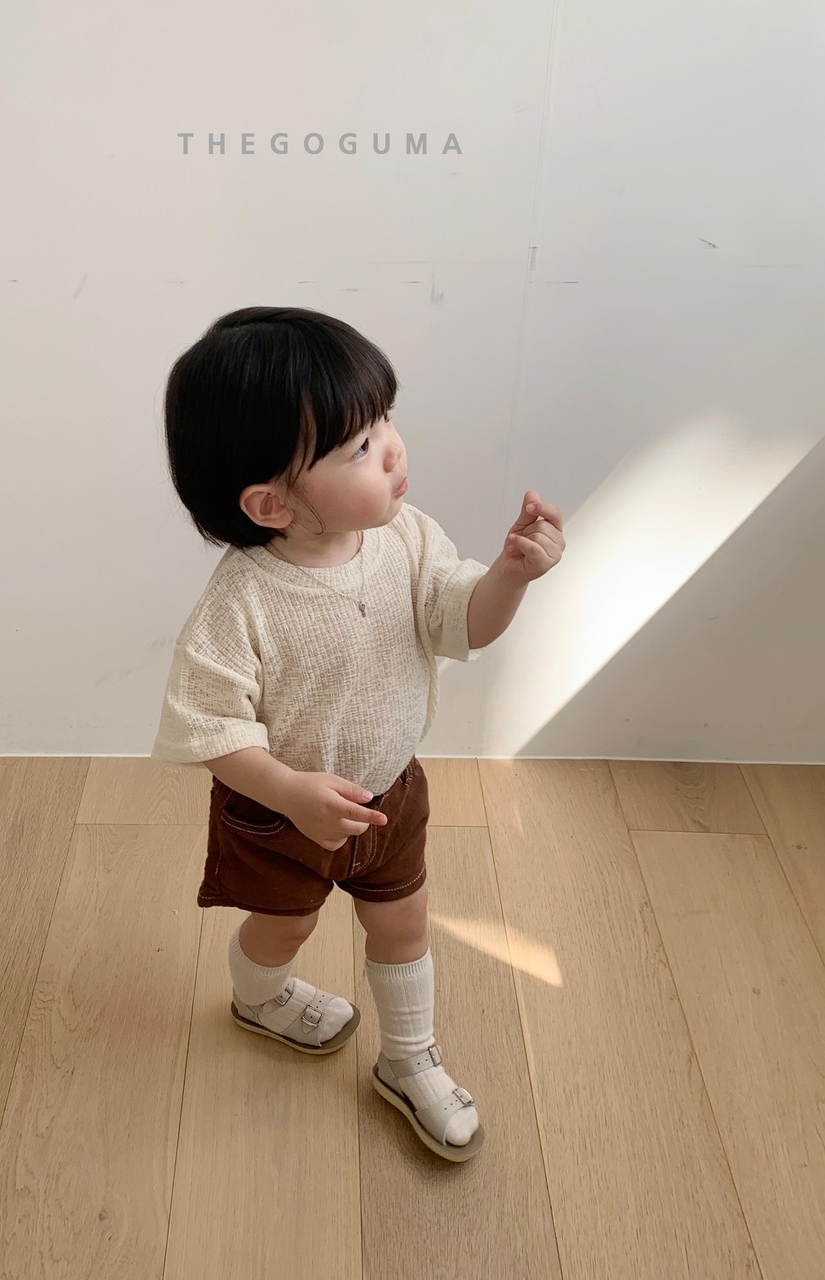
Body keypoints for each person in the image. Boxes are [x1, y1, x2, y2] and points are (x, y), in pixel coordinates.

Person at [153, 306, 564, 1161]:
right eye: (359, 446)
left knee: (404, 926)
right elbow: (208, 724)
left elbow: (462, 622)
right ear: (271, 504)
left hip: (390, 796)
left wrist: (511, 577)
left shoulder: (405, 539)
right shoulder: (242, 602)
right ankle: (259, 998)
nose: (394, 450)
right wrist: (288, 792)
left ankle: (409, 1057)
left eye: (385, 421)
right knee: (284, 930)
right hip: (278, 817)